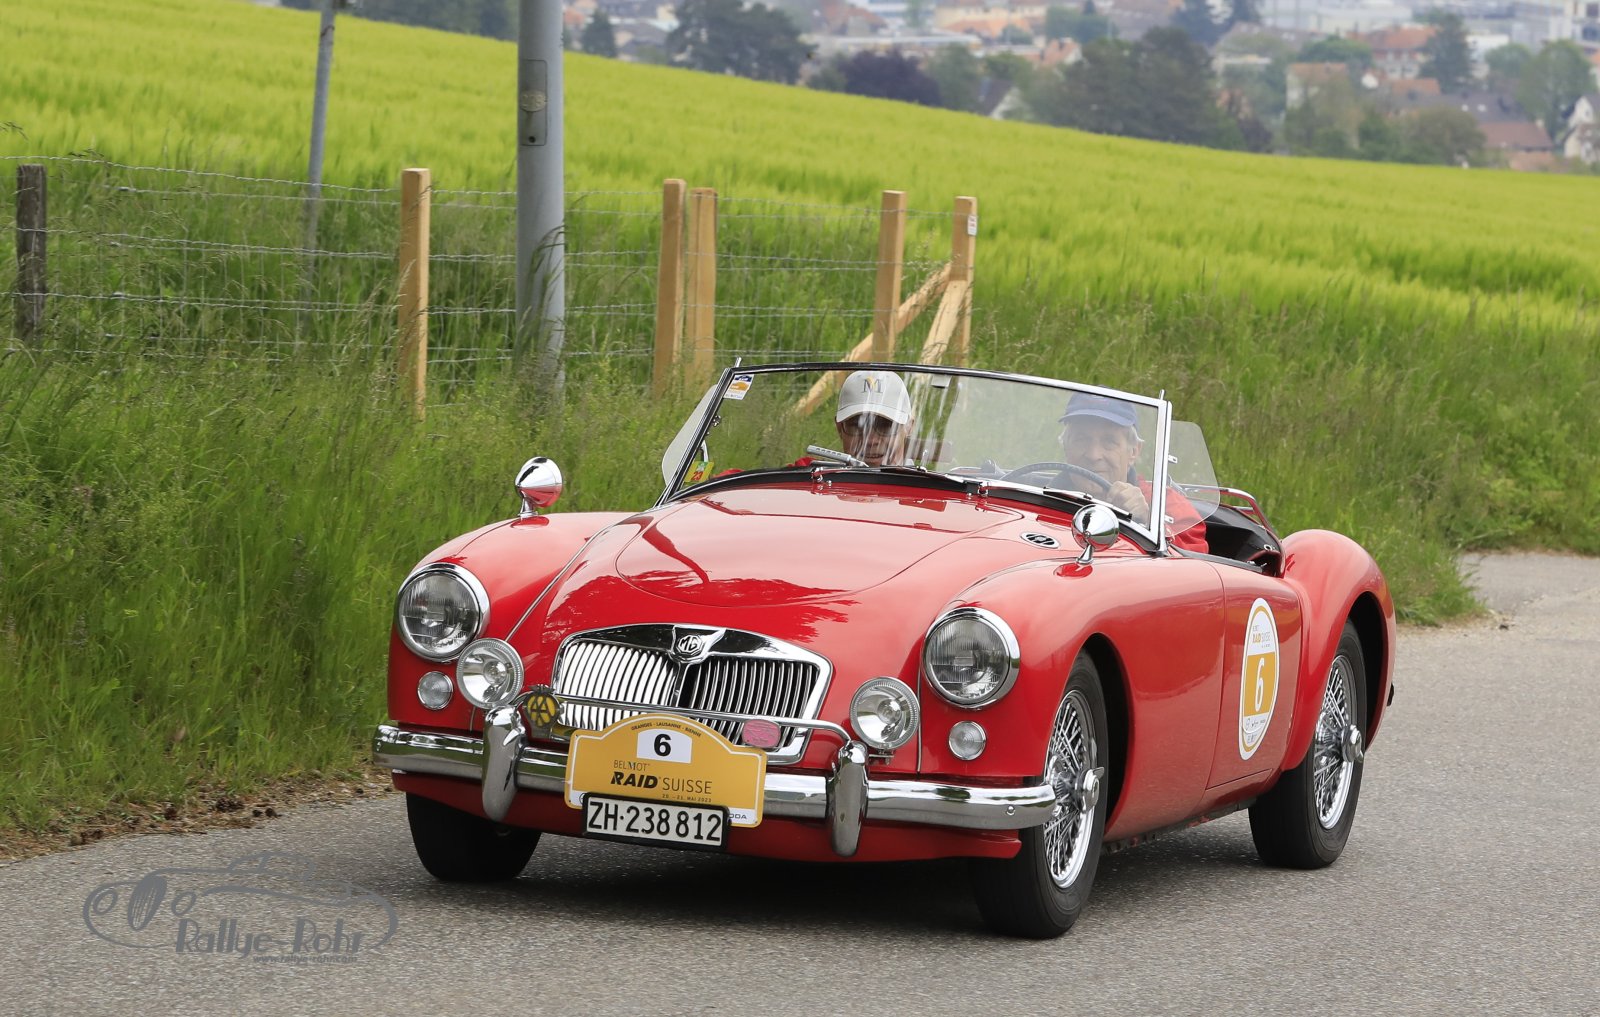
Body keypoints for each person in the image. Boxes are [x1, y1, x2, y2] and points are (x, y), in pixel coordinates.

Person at [1057, 392, 1208, 553]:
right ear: (1066, 446)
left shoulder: (1165, 504)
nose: (1094, 455)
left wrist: (1147, 523)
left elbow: (1194, 561)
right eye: (1081, 439)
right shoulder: (1039, 494)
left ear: (1134, 451)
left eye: (1109, 441)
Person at [828, 370, 915, 467]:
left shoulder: (924, 477)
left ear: (908, 427)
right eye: (857, 425)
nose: (870, 441)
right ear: (839, 428)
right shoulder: (820, 475)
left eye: (885, 426)